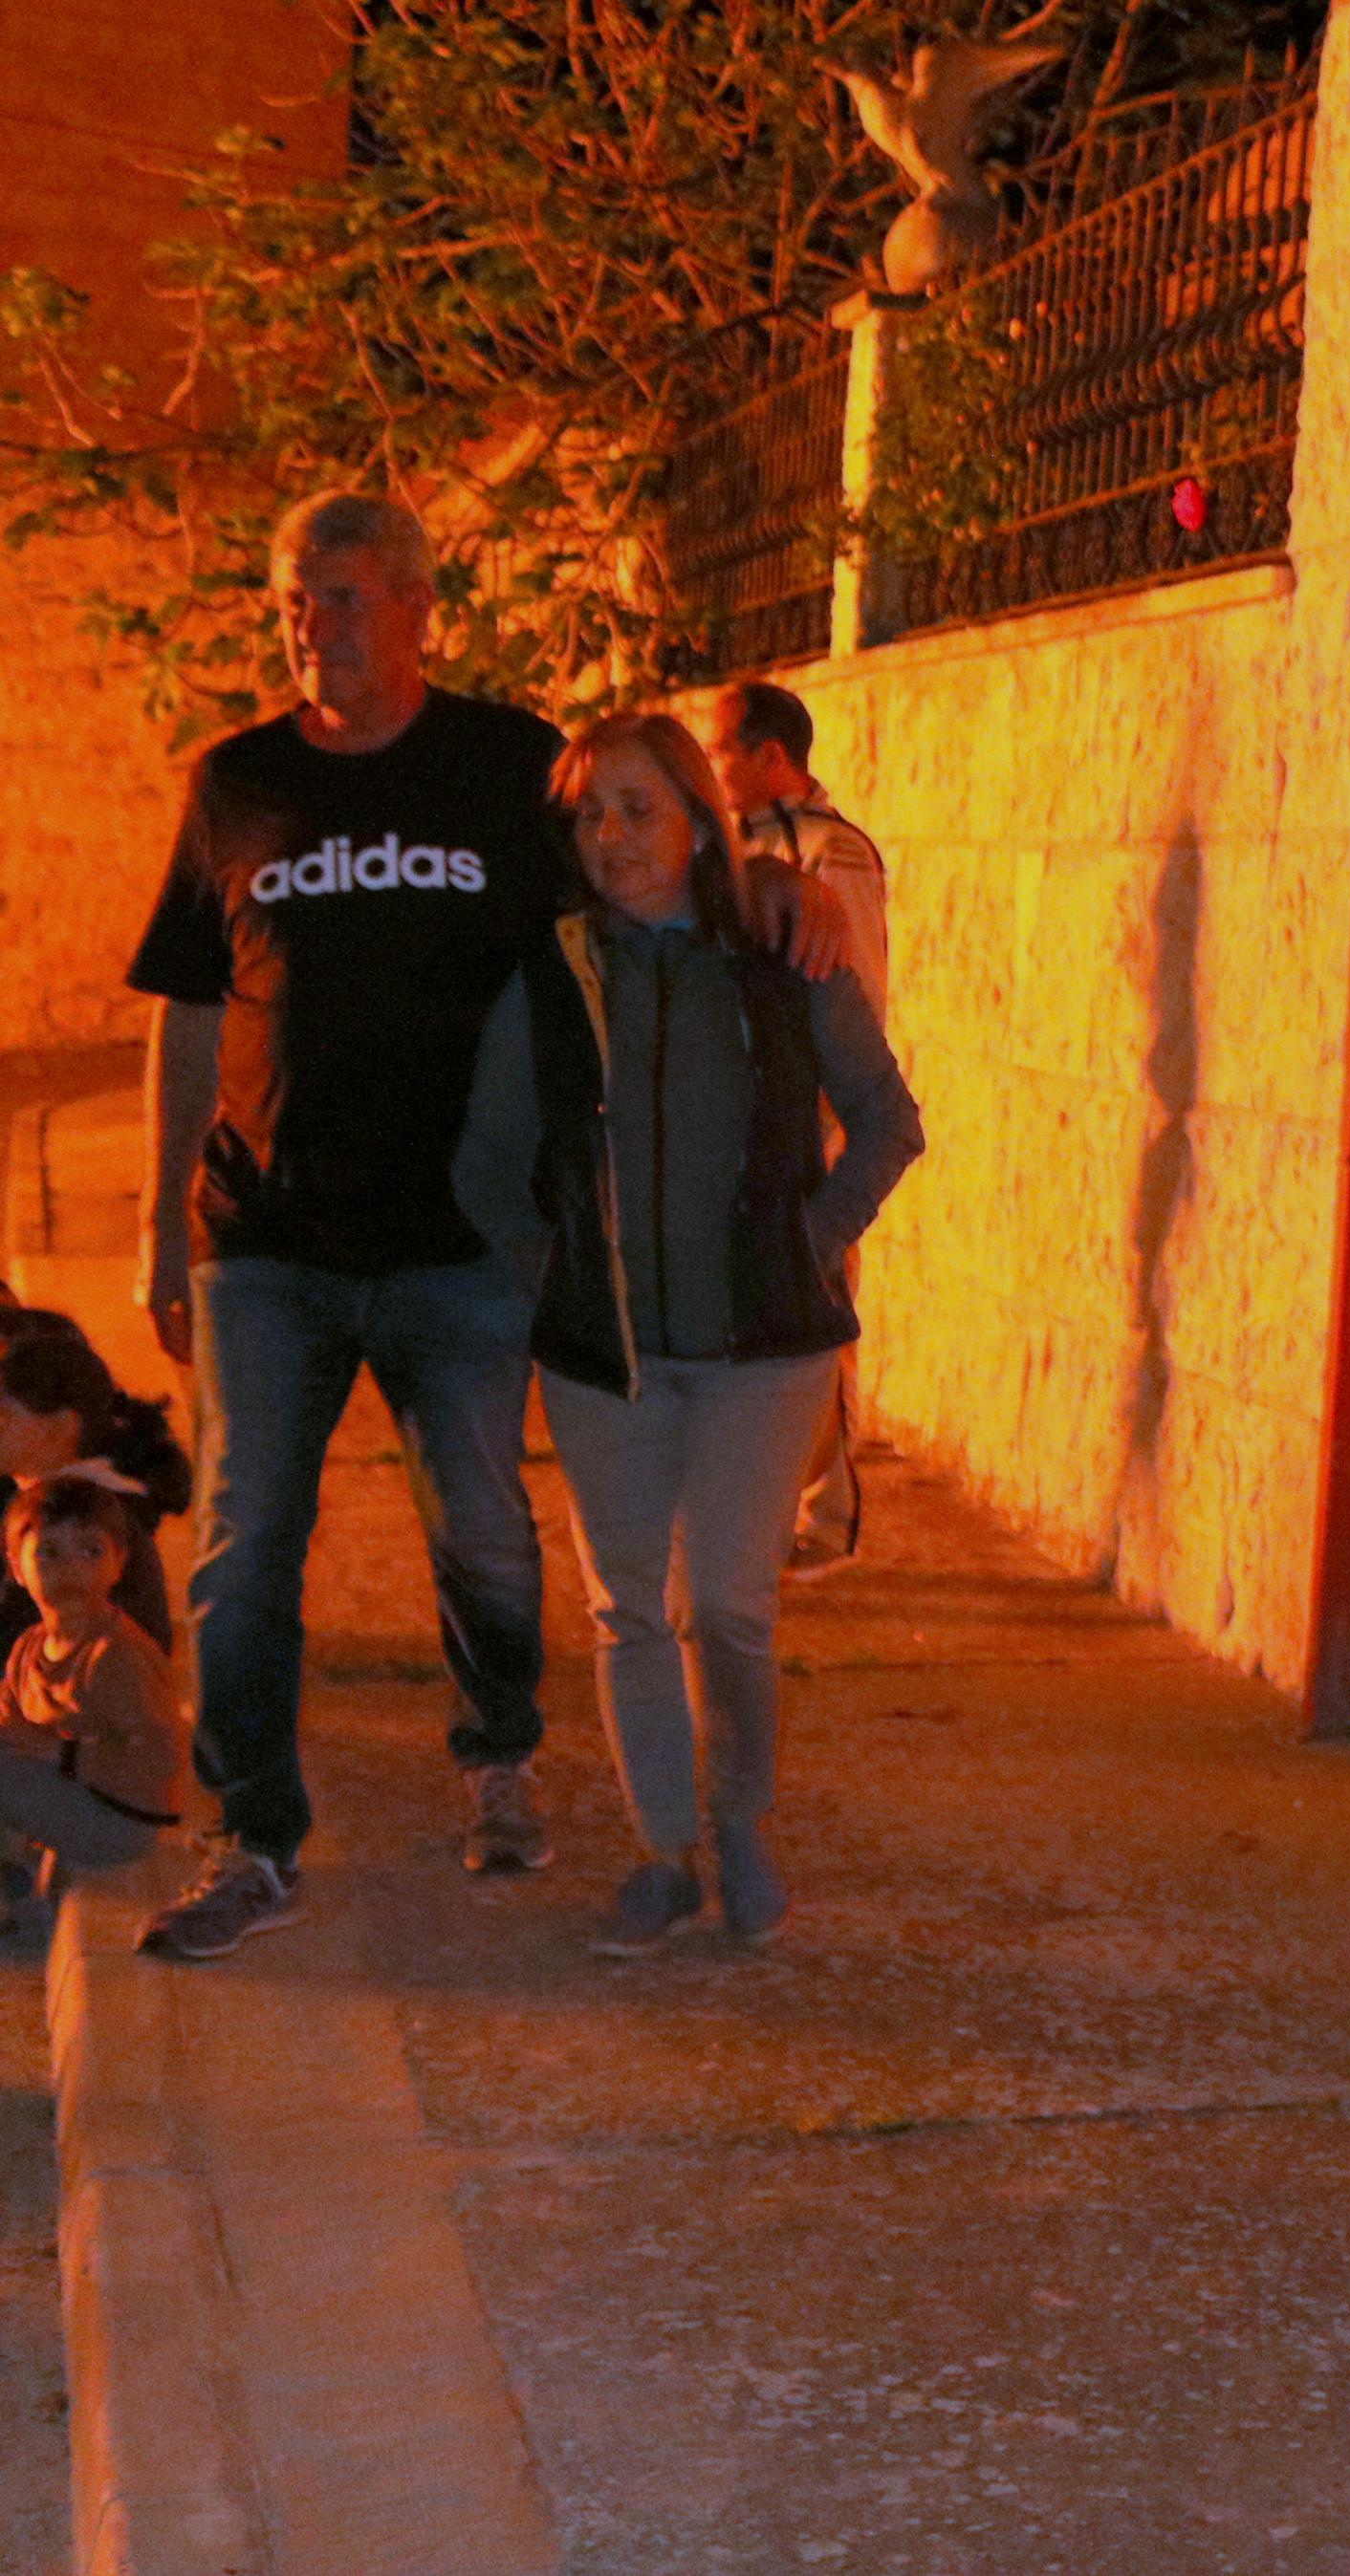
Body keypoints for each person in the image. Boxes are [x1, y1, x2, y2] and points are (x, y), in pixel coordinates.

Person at [127, 488, 850, 1965]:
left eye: (341, 596)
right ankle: (253, 1832)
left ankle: (498, 1755)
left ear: (415, 609)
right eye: (292, 601)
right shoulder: (234, 785)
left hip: (464, 1244)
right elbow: (190, 1014)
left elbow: (636, 862)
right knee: (246, 1538)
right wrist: (160, 1225)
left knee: (486, 1533)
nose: (313, 626)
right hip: (264, 1235)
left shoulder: (506, 767)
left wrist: (764, 875)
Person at [464, 713, 923, 1953]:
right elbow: (488, 1163)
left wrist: (809, 1239)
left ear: (695, 817)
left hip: (765, 1354)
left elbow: (886, 1119)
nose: (610, 834)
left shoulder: (783, 950)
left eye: (636, 806)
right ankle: (663, 1854)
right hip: (605, 1358)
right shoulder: (551, 976)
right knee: (626, 1608)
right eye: (589, 813)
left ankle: (741, 1823)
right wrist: (556, 1277)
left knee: (726, 1603)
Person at [704, 680, 891, 1576]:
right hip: (742, 1115)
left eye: (722, 750)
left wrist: (829, 1114)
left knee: (815, 1298)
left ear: (769, 756)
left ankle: (828, 1510)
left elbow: (851, 986)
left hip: (806, 1113)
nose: (712, 767)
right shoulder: (729, 848)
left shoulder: (834, 853)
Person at [0, 1474, 187, 1925]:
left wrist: (57, 1750)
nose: (71, 1567)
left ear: (119, 1563)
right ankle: (20, 1880)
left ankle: (18, 1880)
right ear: (17, 1567)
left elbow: (160, 1758)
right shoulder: (31, 1645)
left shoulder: (114, 1655)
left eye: (91, 1551)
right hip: (77, 1799)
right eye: (49, 1552)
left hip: (120, 1822)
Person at [0, 1310, 195, 1658]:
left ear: (59, 1428)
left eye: (4, 1415)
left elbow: (19, 1637)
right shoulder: (65, 1500)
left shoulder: (71, 1514)